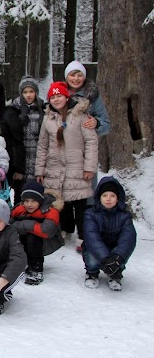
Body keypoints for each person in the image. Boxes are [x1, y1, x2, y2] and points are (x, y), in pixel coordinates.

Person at [35, 82, 97, 252]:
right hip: (55, 168)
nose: (56, 99)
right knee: (62, 202)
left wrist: (89, 167)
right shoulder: (48, 119)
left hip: (76, 167)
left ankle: (84, 237)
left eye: (59, 96)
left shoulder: (80, 116)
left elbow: (91, 142)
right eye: (53, 97)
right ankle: (66, 230)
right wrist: (40, 169)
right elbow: (42, 145)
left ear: (66, 96)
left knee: (80, 204)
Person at [64, 61, 111, 207]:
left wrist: (97, 123)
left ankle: (88, 223)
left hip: (86, 152)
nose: (76, 79)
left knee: (87, 191)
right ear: (66, 77)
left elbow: (106, 124)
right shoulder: (59, 94)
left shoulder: (93, 97)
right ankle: (66, 224)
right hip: (64, 150)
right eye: (72, 75)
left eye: (79, 75)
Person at [82, 177, 136, 291]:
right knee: (92, 259)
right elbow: (92, 237)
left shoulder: (125, 216)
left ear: (117, 198)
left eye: (112, 196)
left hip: (114, 247)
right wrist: (106, 260)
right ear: (99, 197)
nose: (108, 199)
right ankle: (92, 273)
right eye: (105, 195)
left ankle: (115, 276)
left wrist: (118, 258)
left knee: (120, 256)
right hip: (95, 248)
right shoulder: (90, 214)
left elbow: (128, 238)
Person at [10, 181, 63, 285]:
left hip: (46, 242)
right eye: (26, 201)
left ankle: (36, 268)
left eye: (33, 201)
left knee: (32, 236)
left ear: (40, 200)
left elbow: (47, 231)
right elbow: (8, 225)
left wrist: (24, 225)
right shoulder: (20, 209)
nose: (29, 204)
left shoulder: (51, 210)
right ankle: (19, 262)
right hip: (25, 242)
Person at [10, 76, 46, 204]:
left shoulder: (43, 109)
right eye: (25, 92)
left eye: (31, 92)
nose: (28, 95)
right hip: (21, 160)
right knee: (20, 196)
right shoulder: (14, 109)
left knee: (36, 196)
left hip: (37, 157)